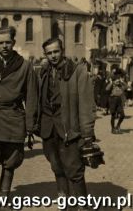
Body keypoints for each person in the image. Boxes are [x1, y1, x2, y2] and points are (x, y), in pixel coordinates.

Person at [0, 26, 38, 210]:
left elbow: (31, 97)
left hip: (14, 119)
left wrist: (30, 125)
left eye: (8, 42)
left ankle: (3, 201)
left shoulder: (25, 66)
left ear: (13, 43)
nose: (4, 46)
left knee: (10, 162)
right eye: (0, 42)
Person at [33, 38, 96, 210]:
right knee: (57, 168)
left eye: (56, 51)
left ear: (62, 50)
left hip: (69, 129)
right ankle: (66, 204)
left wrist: (87, 132)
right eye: (49, 53)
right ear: (45, 54)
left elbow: (86, 104)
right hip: (49, 129)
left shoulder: (78, 71)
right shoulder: (44, 72)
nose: (53, 56)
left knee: (74, 171)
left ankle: (82, 206)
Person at [105, 69, 127, 134]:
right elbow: (107, 89)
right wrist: (112, 83)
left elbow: (126, 87)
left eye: (120, 75)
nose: (119, 76)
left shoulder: (120, 82)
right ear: (116, 75)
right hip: (112, 99)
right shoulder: (112, 81)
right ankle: (113, 129)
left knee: (122, 115)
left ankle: (117, 126)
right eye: (118, 75)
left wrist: (121, 82)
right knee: (113, 115)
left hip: (119, 99)